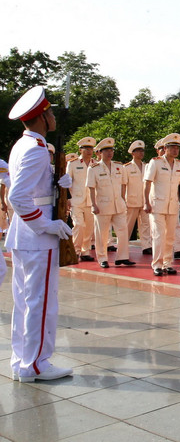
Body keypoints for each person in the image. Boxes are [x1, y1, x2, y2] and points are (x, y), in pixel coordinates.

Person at [5, 86, 74, 381]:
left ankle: (22, 360)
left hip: (24, 236)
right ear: (43, 117)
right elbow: (17, 197)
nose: (54, 115)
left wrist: (58, 183)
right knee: (41, 302)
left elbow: (31, 192)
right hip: (37, 236)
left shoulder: (25, 145)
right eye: (51, 112)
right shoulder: (35, 151)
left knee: (24, 301)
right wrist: (47, 225)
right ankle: (35, 364)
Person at [87, 138, 135, 268]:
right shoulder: (94, 168)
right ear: (100, 153)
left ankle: (122, 257)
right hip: (102, 205)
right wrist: (93, 204)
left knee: (123, 231)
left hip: (118, 205)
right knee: (102, 234)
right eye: (106, 150)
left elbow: (124, 184)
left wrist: (123, 199)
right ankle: (102, 258)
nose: (110, 153)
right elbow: (91, 188)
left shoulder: (119, 166)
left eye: (111, 150)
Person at [143, 134, 180, 275]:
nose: (175, 150)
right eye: (172, 147)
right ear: (165, 148)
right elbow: (147, 182)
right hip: (157, 205)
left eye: (177, 148)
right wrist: (146, 202)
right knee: (158, 235)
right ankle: (157, 264)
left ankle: (167, 263)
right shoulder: (155, 162)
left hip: (173, 205)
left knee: (170, 236)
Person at [67, 136, 96, 261]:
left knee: (89, 227)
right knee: (79, 225)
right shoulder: (72, 164)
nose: (89, 151)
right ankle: (75, 250)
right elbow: (67, 183)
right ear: (80, 150)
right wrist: (67, 198)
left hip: (91, 201)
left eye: (91, 148)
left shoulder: (96, 164)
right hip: (76, 200)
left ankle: (85, 251)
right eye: (86, 148)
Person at [122, 140, 151, 255]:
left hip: (144, 201)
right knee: (127, 226)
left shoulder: (147, 166)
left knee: (145, 225)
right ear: (132, 153)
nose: (141, 153)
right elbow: (123, 185)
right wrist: (122, 200)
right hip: (131, 200)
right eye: (138, 151)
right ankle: (123, 246)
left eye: (142, 150)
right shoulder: (127, 167)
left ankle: (146, 246)